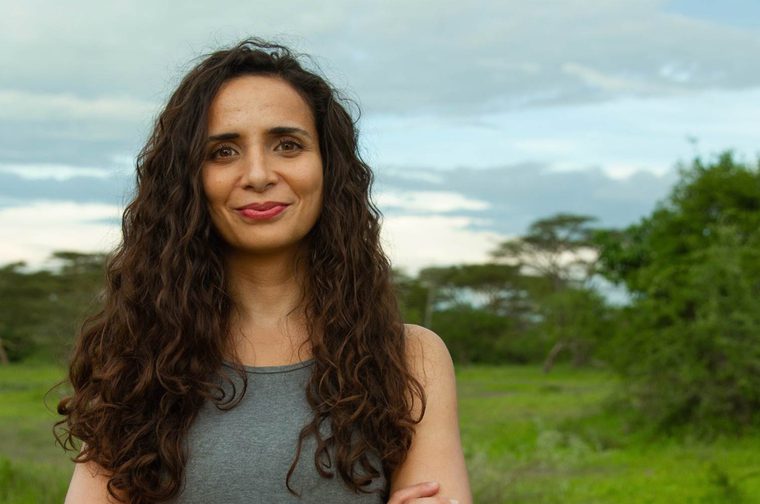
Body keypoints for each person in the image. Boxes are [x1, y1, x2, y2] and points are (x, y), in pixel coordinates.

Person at [56, 38, 471, 503]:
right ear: (189, 179)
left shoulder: (411, 358)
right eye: (223, 152)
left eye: (287, 145)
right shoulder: (133, 354)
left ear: (328, 167)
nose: (257, 174)